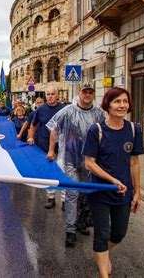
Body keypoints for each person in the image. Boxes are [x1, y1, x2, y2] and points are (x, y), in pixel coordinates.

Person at [83, 87, 144, 278]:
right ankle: (103, 271)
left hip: (123, 192)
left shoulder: (134, 130)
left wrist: (137, 192)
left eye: (125, 101)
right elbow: (89, 163)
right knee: (102, 234)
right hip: (100, 191)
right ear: (108, 105)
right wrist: (111, 180)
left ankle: (102, 252)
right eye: (117, 101)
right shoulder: (97, 130)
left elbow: (134, 162)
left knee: (118, 234)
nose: (122, 105)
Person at [47, 83, 105, 248]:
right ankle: (70, 231)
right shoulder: (67, 111)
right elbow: (53, 129)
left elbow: (105, 135)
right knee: (72, 195)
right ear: (79, 93)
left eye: (90, 92)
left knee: (86, 194)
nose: (87, 95)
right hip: (71, 160)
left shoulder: (99, 114)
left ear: (93, 94)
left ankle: (81, 222)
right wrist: (51, 150)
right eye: (84, 92)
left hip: (91, 162)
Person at [27, 86, 66, 209]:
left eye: (52, 94)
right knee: (49, 173)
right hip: (44, 145)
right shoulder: (41, 109)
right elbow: (33, 125)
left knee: (63, 172)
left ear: (57, 95)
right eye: (48, 94)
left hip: (62, 146)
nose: (50, 96)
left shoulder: (64, 109)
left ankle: (65, 200)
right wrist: (31, 137)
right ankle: (51, 197)